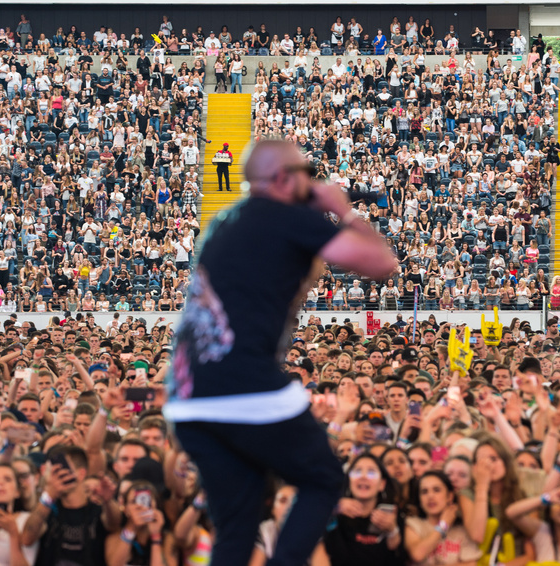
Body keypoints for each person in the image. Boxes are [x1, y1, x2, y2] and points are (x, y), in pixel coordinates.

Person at [164, 139, 397, 566]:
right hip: (245, 387)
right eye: (307, 173)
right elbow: (383, 263)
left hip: (186, 398)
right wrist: (342, 210)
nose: (313, 182)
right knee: (324, 479)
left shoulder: (224, 220)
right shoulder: (285, 217)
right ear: (285, 178)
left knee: (237, 522)